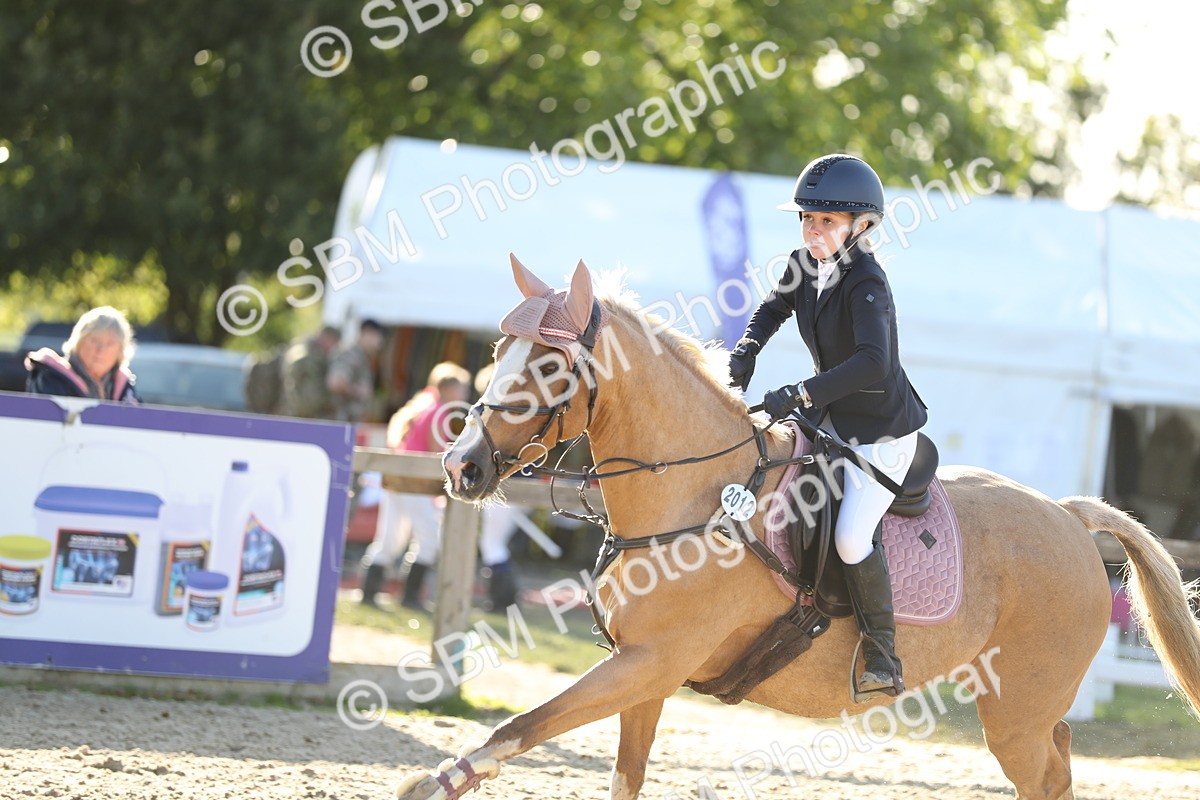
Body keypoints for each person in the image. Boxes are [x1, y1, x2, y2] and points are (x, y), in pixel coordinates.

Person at [728, 154, 928, 696]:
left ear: (859, 226)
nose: (813, 230)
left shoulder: (868, 284)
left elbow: (872, 363)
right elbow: (772, 308)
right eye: (807, 219)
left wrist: (800, 391)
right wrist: (747, 348)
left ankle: (883, 655)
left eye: (827, 221)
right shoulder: (803, 262)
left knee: (849, 536)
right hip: (832, 418)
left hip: (880, 432)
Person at [361, 362, 471, 609]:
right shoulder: (438, 411)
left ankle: (369, 594)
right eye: (461, 389)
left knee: (389, 540)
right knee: (429, 540)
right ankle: (409, 597)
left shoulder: (425, 406)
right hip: (414, 484)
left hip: (398, 480)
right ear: (448, 388)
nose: (464, 394)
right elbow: (435, 452)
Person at [25, 306, 140, 403]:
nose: (101, 350)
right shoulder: (50, 377)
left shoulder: (126, 391)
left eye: (110, 344)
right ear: (78, 342)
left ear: (120, 351)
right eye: (94, 340)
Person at [327, 318, 385, 423]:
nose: (380, 342)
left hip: (350, 424)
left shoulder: (364, 358)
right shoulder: (351, 354)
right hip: (340, 423)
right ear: (367, 333)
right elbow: (335, 383)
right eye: (378, 336)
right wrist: (358, 391)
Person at [280, 325, 341, 418]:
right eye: (333, 342)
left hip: (305, 412)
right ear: (325, 337)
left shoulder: (313, 353)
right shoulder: (307, 353)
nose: (333, 348)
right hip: (302, 413)